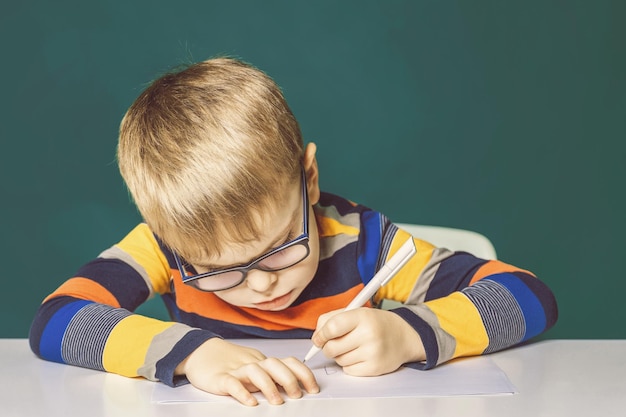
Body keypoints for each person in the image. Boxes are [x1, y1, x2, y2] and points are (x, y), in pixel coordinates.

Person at [29, 57, 558, 406]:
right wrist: (193, 353)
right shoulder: (165, 246)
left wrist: (408, 335)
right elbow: (56, 322)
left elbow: (527, 297)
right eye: (217, 271)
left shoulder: (366, 241)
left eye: (282, 247)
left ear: (308, 180)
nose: (261, 285)